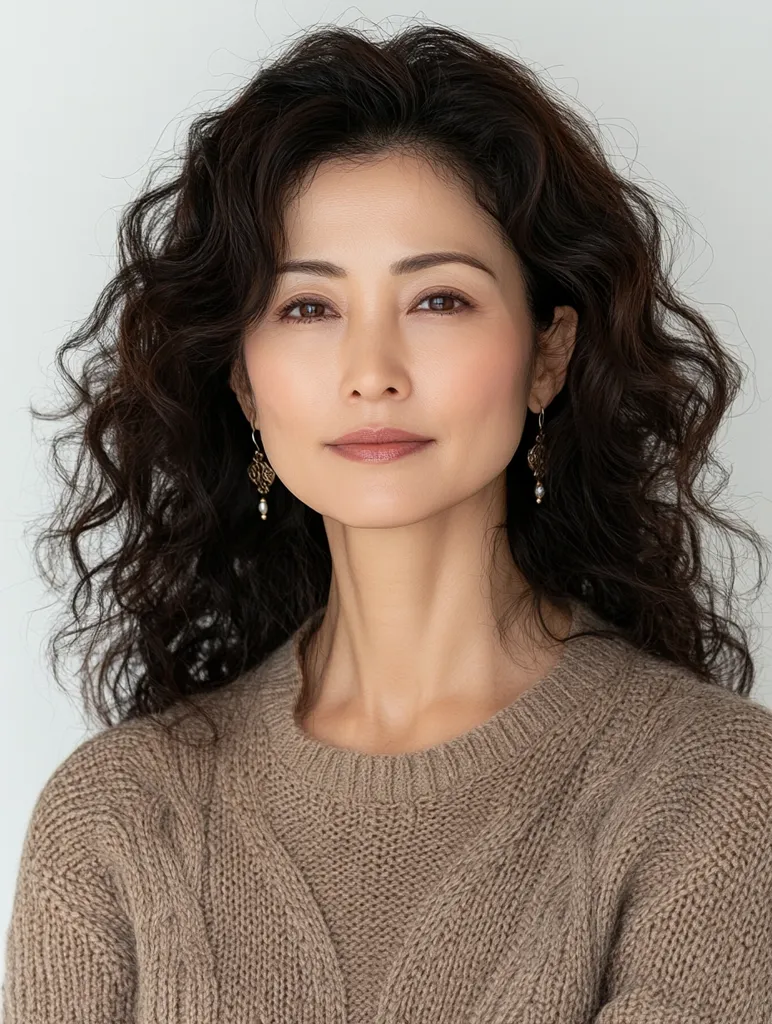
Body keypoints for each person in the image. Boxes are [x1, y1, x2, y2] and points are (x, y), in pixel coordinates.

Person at [3, 20, 771, 1024]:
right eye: (308, 308)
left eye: (438, 299)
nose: (373, 370)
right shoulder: (111, 818)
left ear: (547, 353)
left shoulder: (712, 791)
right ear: (242, 377)